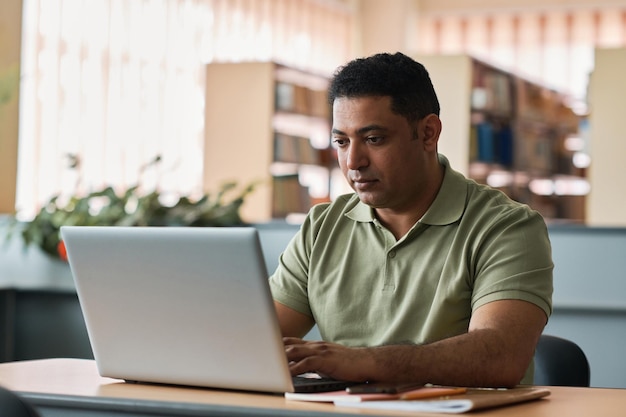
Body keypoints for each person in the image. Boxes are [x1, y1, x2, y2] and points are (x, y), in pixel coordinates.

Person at [268, 52, 553, 388]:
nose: (353, 162)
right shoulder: (322, 227)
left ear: (429, 133)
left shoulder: (507, 228)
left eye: (374, 139)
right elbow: (257, 339)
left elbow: (501, 356)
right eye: (342, 142)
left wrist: (361, 361)